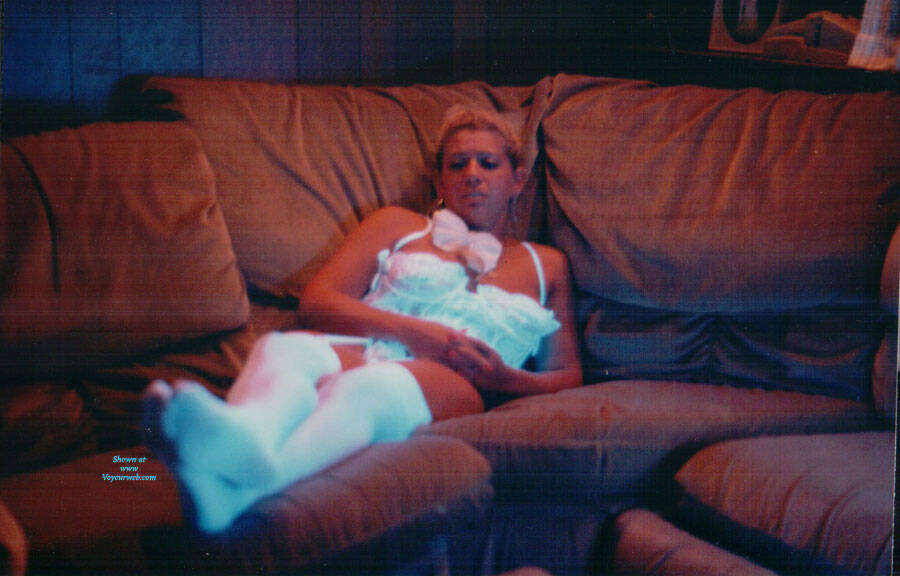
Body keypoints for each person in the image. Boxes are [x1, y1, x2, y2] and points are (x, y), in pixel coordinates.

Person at [142, 106, 582, 533]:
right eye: (457, 164)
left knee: (374, 385)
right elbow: (318, 302)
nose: (472, 174)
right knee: (285, 346)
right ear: (439, 180)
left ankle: (251, 479)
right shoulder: (398, 224)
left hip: (454, 381)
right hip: (367, 346)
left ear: (517, 179)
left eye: (488, 163)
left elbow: (567, 374)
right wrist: (416, 332)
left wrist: (506, 378)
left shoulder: (547, 264)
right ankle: (245, 437)